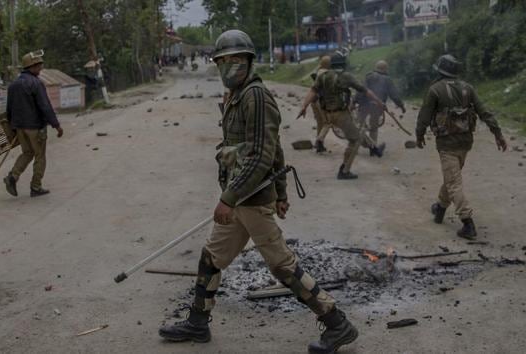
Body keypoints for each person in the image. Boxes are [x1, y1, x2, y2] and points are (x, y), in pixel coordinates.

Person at [158, 30, 358, 354]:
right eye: (223, 61)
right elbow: (274, 147)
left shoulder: (256, 96)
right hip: (241, 200)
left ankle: (337, 323)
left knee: (282, 265)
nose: (228, 67)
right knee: (211, 258)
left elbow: (262, 154)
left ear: (248, 61)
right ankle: (197, 322)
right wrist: (280, 192)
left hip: (249, 201)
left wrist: (230, 198)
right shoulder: (236, 96)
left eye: (235, 60)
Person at [416, 54, 507, 239]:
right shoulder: (468, 88)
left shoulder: (434, 90)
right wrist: (497, 133)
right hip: (466, 142)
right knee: (452, 177)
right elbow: (484, 112)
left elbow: (424, 116)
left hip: (447, 144)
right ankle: (440, 208)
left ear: (440, 71)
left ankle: (467, 223)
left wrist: (419, 135)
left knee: (453, 182)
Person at [298, 52, 385, 180]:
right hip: (341, 115)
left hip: (328, 114)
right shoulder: (346, 76)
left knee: (356, 130)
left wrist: (304, 106)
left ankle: (374, 148)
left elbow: (313, 91)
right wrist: (380, 102)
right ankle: (344, 170)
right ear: (344, 64)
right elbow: (366, 91)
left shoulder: (323, 76)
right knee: (355, 140)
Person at [3, 50, 63, 198]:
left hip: (19, 128)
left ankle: (12, 177)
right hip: (35, 128)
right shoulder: (36, 83)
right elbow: (45, 106)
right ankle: (36, 187)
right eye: (39, 65)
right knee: (39, 156)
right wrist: (56, 125)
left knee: (27, 153)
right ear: (33, 66)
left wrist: (12, 129)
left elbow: (9, 109)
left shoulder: (13, 85)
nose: (41, 68)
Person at [355, 60, 406, 156]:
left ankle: (356, 147)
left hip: (363, 105)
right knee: (373, 128)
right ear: (385, 69)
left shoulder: (368, 76)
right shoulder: (387, 79)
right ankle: (372, 149)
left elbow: (360, 90)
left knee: (359, 126)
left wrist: (354, 101)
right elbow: (394, 95)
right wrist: (401, 105)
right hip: (376, 106)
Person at [310, 56, 332, 153]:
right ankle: (319, 141)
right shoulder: (326, 74)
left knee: (320, 123)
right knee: (328, 123)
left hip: (313, 100)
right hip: (321, 100)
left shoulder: (318, 71)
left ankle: (318, 144)